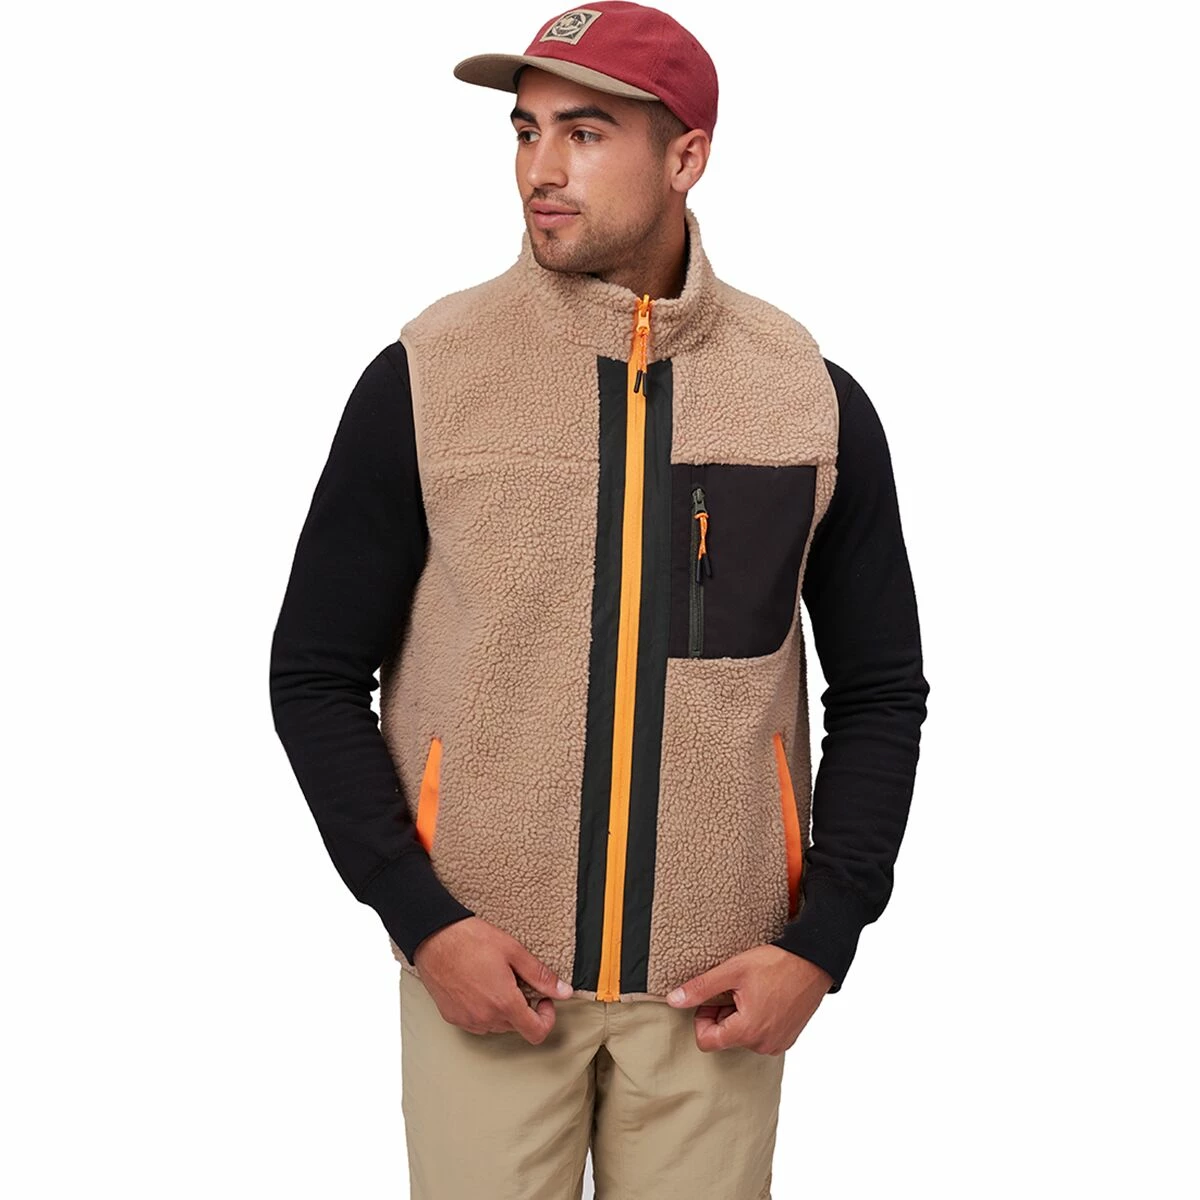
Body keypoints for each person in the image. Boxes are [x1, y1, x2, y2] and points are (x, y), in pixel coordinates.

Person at [269, 3, 930, 1196]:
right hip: (488, 978)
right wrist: (423, 920)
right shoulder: (428, 379)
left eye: (583, 134)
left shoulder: (806, 399)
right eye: (526, 132)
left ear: (686, 157)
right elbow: (313, 675)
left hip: (717, 995)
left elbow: (881, 690)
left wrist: (823, 941)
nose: (540, 169)